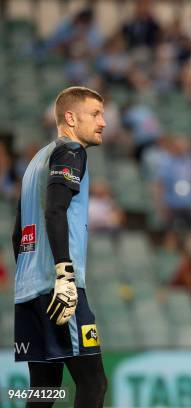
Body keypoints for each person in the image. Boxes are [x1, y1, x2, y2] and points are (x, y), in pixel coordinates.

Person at [12, 86, 108, 407]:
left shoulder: (35, 162)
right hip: (59, 289)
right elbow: (55, 210)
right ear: (70, 117)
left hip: (29, 291)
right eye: (95, 114)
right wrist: (63, 275)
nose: (103, 122)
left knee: (43, 389)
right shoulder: (70, 152)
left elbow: (18, 233)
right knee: (94, 383)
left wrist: (31, 280)